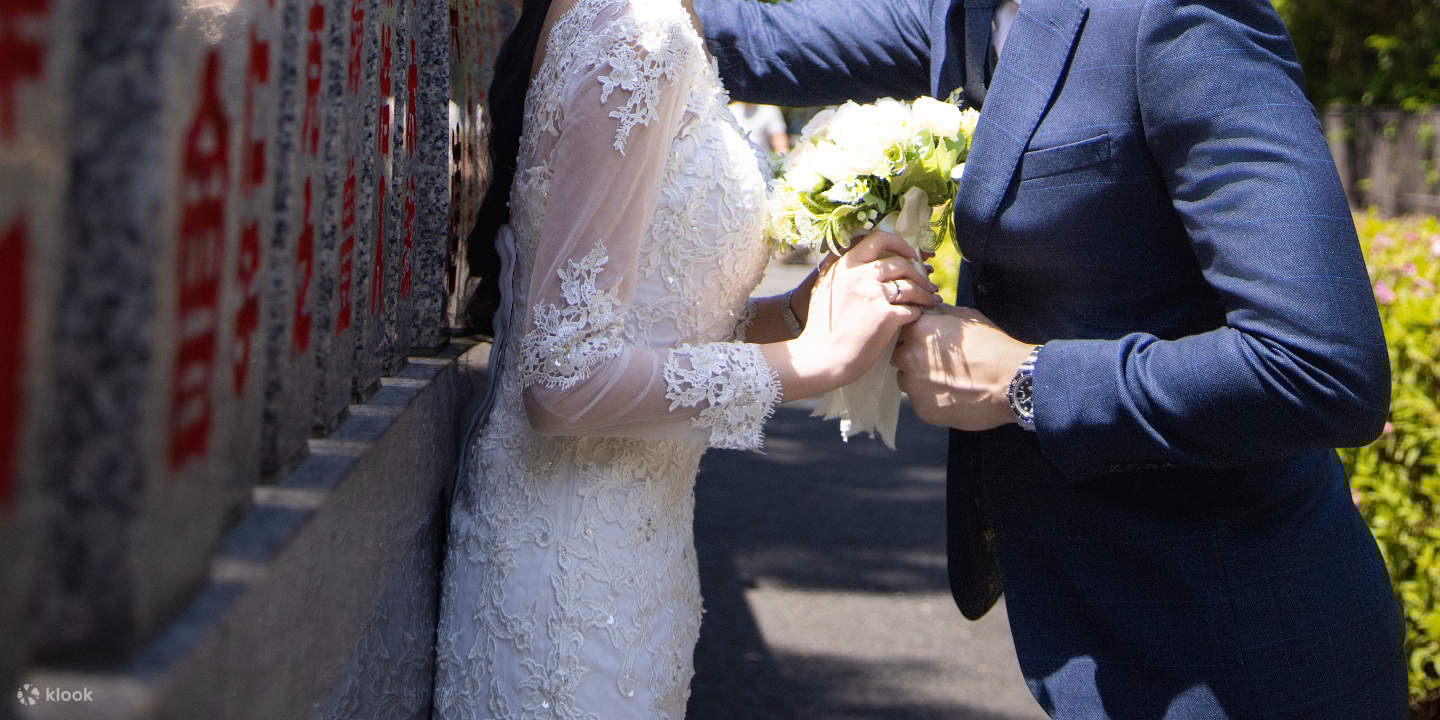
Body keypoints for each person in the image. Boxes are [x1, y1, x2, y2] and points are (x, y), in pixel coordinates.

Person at [697, 0, 1408, 717]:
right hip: (1090, 636)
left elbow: (1323, 367)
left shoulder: (1182, 15)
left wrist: (1025, 379)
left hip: (1240, 652)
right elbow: (748, 36)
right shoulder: (962, 13)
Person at [431, 0, 939, 716]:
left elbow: (649, 318)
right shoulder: (638, 33)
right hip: (572, 577)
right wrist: (813, 359)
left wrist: (791, 312)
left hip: (636, 561)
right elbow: (564, 378)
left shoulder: (652, 22)